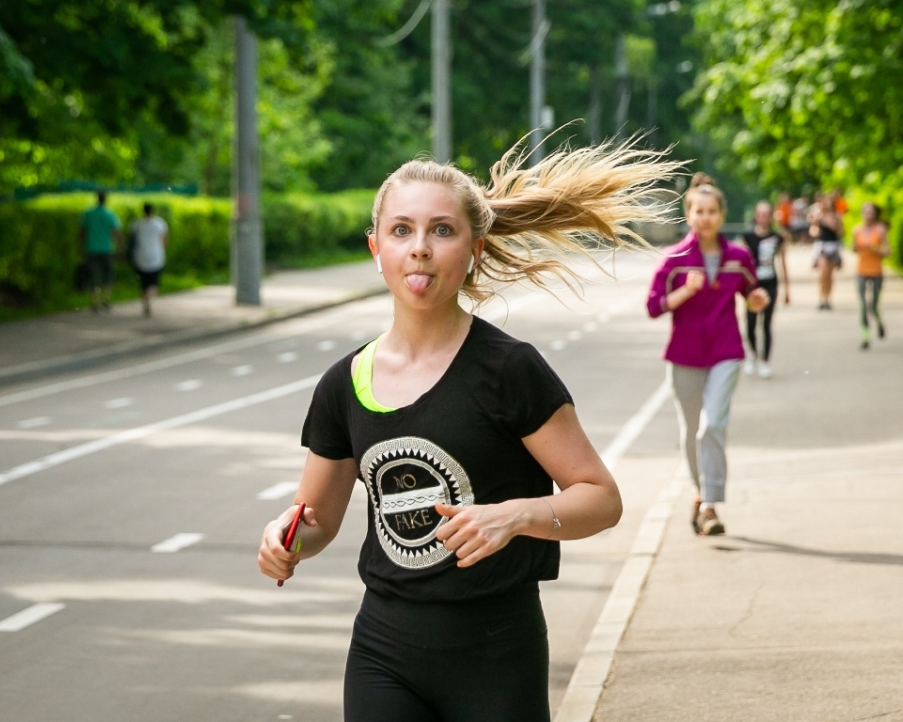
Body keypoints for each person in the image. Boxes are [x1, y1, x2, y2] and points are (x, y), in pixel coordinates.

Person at [257, 140, 681, 722]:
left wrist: (517, 516)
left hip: (496, 655)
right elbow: (317, 521)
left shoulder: (509, 370)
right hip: (384, 652)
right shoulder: (344, 382)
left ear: (475, 250)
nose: (420, 250)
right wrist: (286, 543)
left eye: (442, 231)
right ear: (375, 249)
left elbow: (601, 500)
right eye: (401, 231)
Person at [646, 173, 769, 536]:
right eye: (698, 211)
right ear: (689, 215)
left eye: (712, 211)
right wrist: (684, 293)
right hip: (684, 356)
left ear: (721, 214)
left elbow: (752, 291)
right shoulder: (675, 259)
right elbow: (653, 306)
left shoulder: (738, 257)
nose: (705, 217)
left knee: (711, 425)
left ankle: (711, 504)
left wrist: (758, 300)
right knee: (691, 432)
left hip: (726, 352)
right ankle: (700, 495)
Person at [741, 200, 790, 378]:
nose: (763, 218)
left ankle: (765, 361)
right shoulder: (747, 237)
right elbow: (742, 264)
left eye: (766, 214)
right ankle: (753, 355)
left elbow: (783, 263)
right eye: (760, 214)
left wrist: (787, 290)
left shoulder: (778, 238)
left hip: (770, 283)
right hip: (752, 285)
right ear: (756, 215)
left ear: (771, 217)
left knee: (766, 324)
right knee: (751, 323)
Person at [853, 202, 891, 349]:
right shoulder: (857, 230)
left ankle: (879, 323)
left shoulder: (880, 230)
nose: (868, 214)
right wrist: (857, 247)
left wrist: (875, 248)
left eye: (870, 211)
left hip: (876, 271)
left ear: (875, 214)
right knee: (862, 304)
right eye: (865, 211)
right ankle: (865, 336)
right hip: (861, 271)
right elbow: (854, 248)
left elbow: (888, 251)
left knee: (873, 306)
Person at [78, 190, 122, 313]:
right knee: (108, 275)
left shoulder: (88, 213)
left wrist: (80, 248)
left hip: (91, 248)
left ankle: (94, 301)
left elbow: (82, 232)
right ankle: (106, 299)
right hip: (106, 249)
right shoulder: (110, 214)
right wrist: (120, 248)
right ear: (106, 199)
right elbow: (115, 232)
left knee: (93, 276)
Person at [128, 202, 169, 317]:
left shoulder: (136, 224)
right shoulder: (160, 223)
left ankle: (145, 302)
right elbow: (164, 241)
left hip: (140, 256)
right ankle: (150, 301)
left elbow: (132, 241)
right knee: (153, 282)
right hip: (156, 256)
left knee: (143, 282)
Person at [809, 193, 844, 309]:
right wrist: (816, 229)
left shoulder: (836, 217)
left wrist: (830, 223)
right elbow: (813, 230)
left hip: (833, 245)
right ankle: (821, 299)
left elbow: (841, 232)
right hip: (822, 246)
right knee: (822, 274)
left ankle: (828, 299)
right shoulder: (818, 216)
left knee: (830, 275)